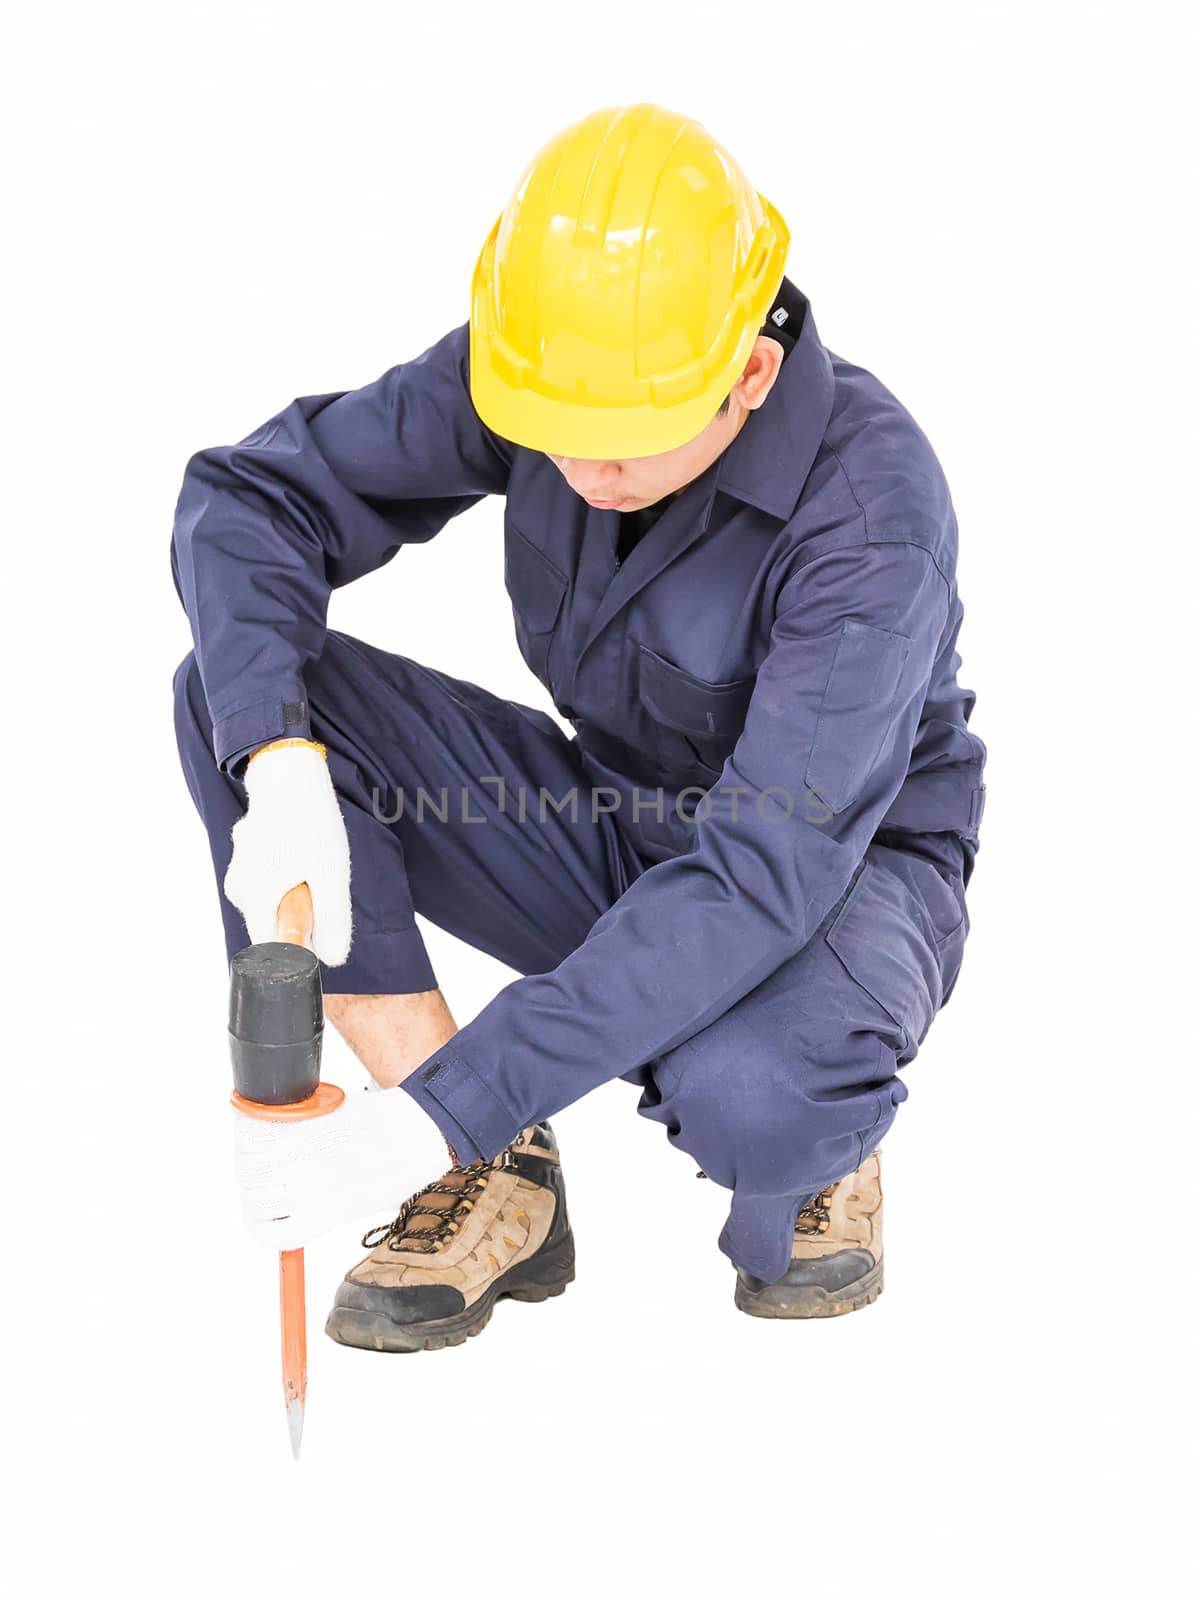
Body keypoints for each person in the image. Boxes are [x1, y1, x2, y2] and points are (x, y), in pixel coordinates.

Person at [171, 101, 986, 1350]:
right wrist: (278, 768)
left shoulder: (872, 520)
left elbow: (763, 868)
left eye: (621, 448)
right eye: (554, 438)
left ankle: (827, 1134)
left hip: (833, 874)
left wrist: (429, 1109)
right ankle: (493, 1170)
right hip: (618, 819)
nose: (580, 472)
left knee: (757, 1098)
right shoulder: (560, 367)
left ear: (750, 374)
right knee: (246, 690)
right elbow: (253, 498)